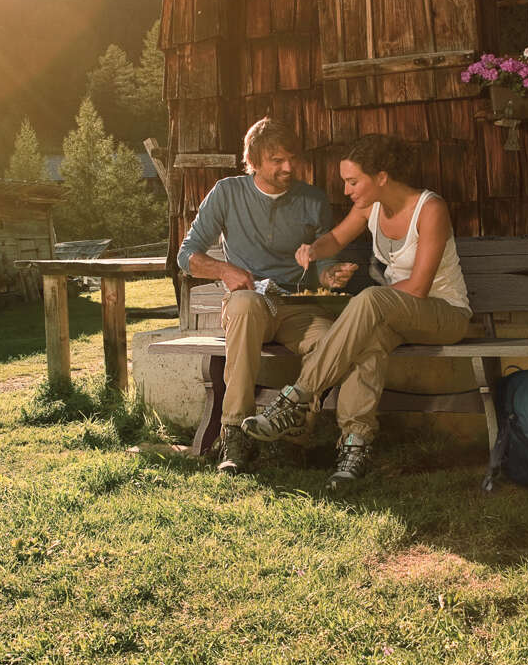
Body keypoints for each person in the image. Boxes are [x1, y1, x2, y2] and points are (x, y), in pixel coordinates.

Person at [240, 134, 471, 490]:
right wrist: (313, 250)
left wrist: (365, 306)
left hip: (444, 314)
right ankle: (355, 447)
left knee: (369, 302)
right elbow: (336, 238)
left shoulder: (430, 209)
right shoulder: (370, 206)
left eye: (352, 181)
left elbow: (420, 287)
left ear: (380, 176)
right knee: (367, 344)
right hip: (399, 315)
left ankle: (296, 398)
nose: (346, 190)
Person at [177, 118, 356, 475]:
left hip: (296, 307)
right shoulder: (227, 193)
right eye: (277, 159)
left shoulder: (312, 200)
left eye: (291, 158)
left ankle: (293, 438)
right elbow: (187, 256)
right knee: (244, 306)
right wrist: (225, 271)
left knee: (332, 342)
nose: (288, 167)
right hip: (250, 302)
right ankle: (234, 433)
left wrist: (331, 274)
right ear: (254, 160)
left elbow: (324, 262)